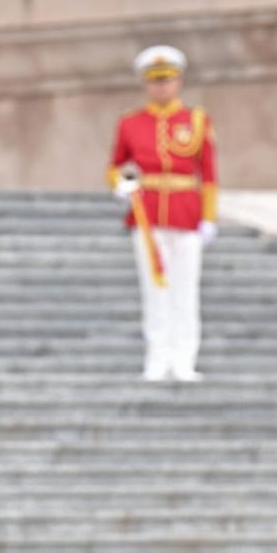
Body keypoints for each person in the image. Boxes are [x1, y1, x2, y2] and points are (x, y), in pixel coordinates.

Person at [107, 44, 218, 382]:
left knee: (185, 291)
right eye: (155, 81)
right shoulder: (131, 123)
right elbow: (115, 166)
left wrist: (209, 217)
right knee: (154, 291)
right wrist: (121, 187)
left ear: (178, 82)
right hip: (147, 213)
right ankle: (157, 357)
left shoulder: (196, 121)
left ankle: (184, 359)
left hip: (186, 212)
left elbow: (208, 175)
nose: (161, 87)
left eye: (167, 80)